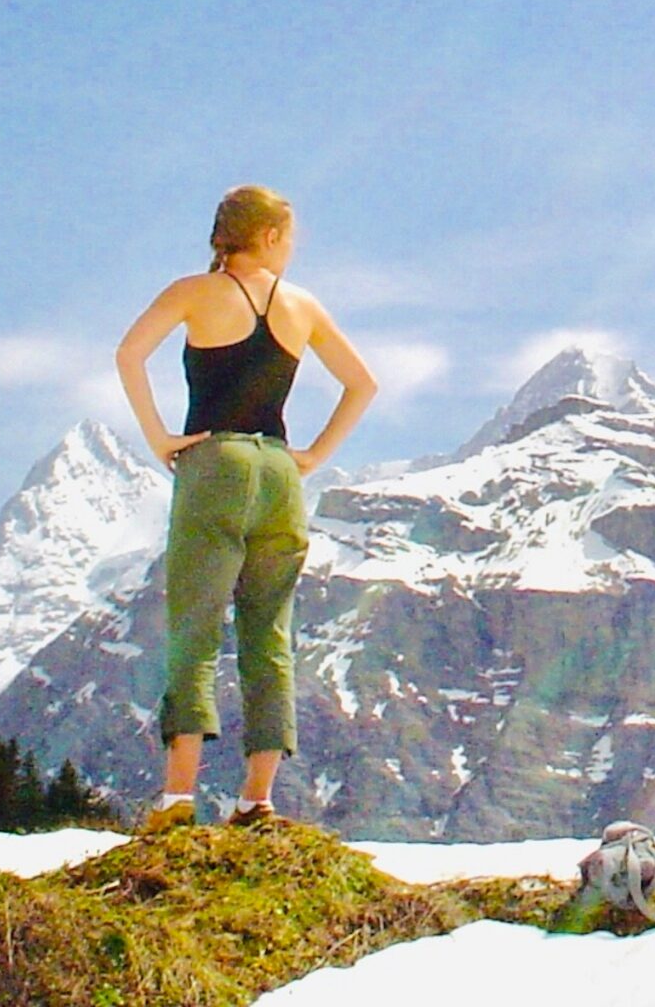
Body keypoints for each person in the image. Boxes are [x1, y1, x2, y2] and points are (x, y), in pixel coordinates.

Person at [114, 185, 377, 829]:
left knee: (196, 628)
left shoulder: (193, 293)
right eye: (289, 237)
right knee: (270, 636)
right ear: (266, 236)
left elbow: (128, 354)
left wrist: (159, 438)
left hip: (216, 462)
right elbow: (362, 383)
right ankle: (256, 800)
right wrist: (312, 455)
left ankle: (178, 801)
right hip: (279, 472)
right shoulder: (301, 305)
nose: (292, 249)